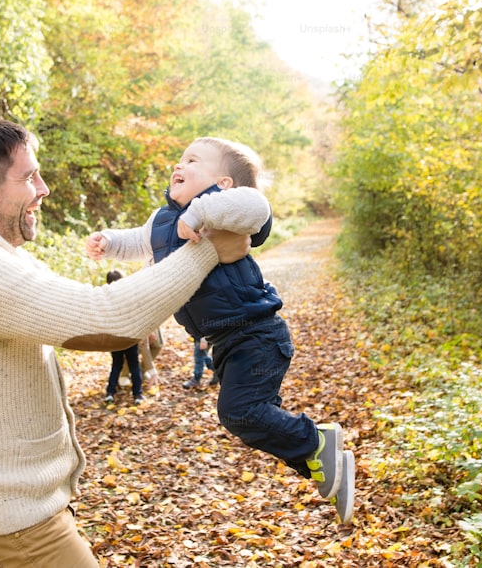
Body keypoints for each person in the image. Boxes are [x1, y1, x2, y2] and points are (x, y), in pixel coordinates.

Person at [0, 119, 252, 568]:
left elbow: (93, 308)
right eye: (29, 176)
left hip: (18, 517)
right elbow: (109, 319)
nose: (44, 187)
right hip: (12, 527)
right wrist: (208, 250)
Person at [85, 136, 356, 523]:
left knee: (239, 412)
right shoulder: (162, 220)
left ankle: (317, 443)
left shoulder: (227, 207)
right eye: (179, 159)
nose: (179, 165)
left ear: (223, 183)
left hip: (257, 334)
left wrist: (198, 215)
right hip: (224, 342)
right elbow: (138, 241)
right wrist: (109, 242)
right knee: (253, 418)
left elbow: (257, 207)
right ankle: (320, 462)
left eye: (193, 160)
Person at [103, 269, 144, 405]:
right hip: (129, 335)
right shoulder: (128, 296)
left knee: (116, 365)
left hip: (114, 337)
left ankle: (110, 393)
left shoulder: (105, 297)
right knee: (134, 366)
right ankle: (138, 394)